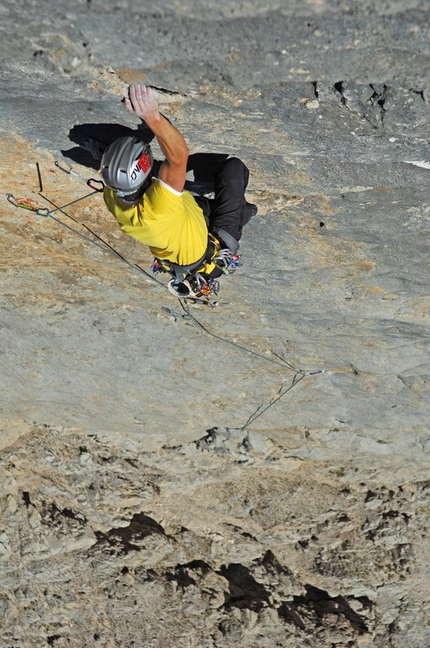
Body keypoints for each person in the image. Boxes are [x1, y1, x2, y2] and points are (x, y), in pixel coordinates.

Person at [100, 84, 257, 298]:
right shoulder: (160, 209)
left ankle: (237, 211)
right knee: (234, 168)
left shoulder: (112, 196)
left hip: (187, 220)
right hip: (212, 247)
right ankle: (244, 213)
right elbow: (178, 156)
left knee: (191, 200)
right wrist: (152, 117)